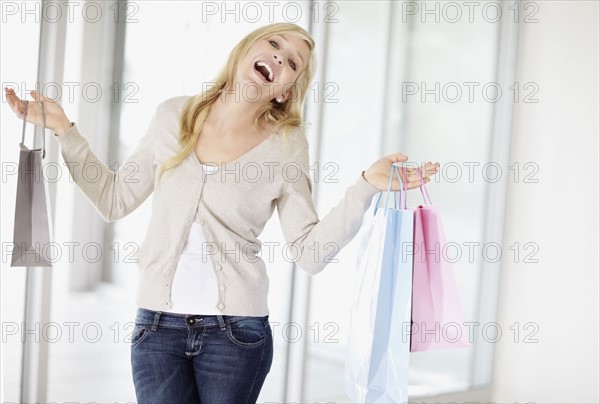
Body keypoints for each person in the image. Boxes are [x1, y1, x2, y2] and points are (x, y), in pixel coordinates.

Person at [5, 22, 439, 404]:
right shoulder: (173, 115)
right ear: (245, 50)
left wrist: (365, 186)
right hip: (156, 329)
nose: (278, 56)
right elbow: (114, 199)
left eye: (291, 61)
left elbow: (309, 252)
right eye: (273, 43)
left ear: (285, 89)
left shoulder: (287, 146)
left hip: (237, 336)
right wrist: (65, 130)